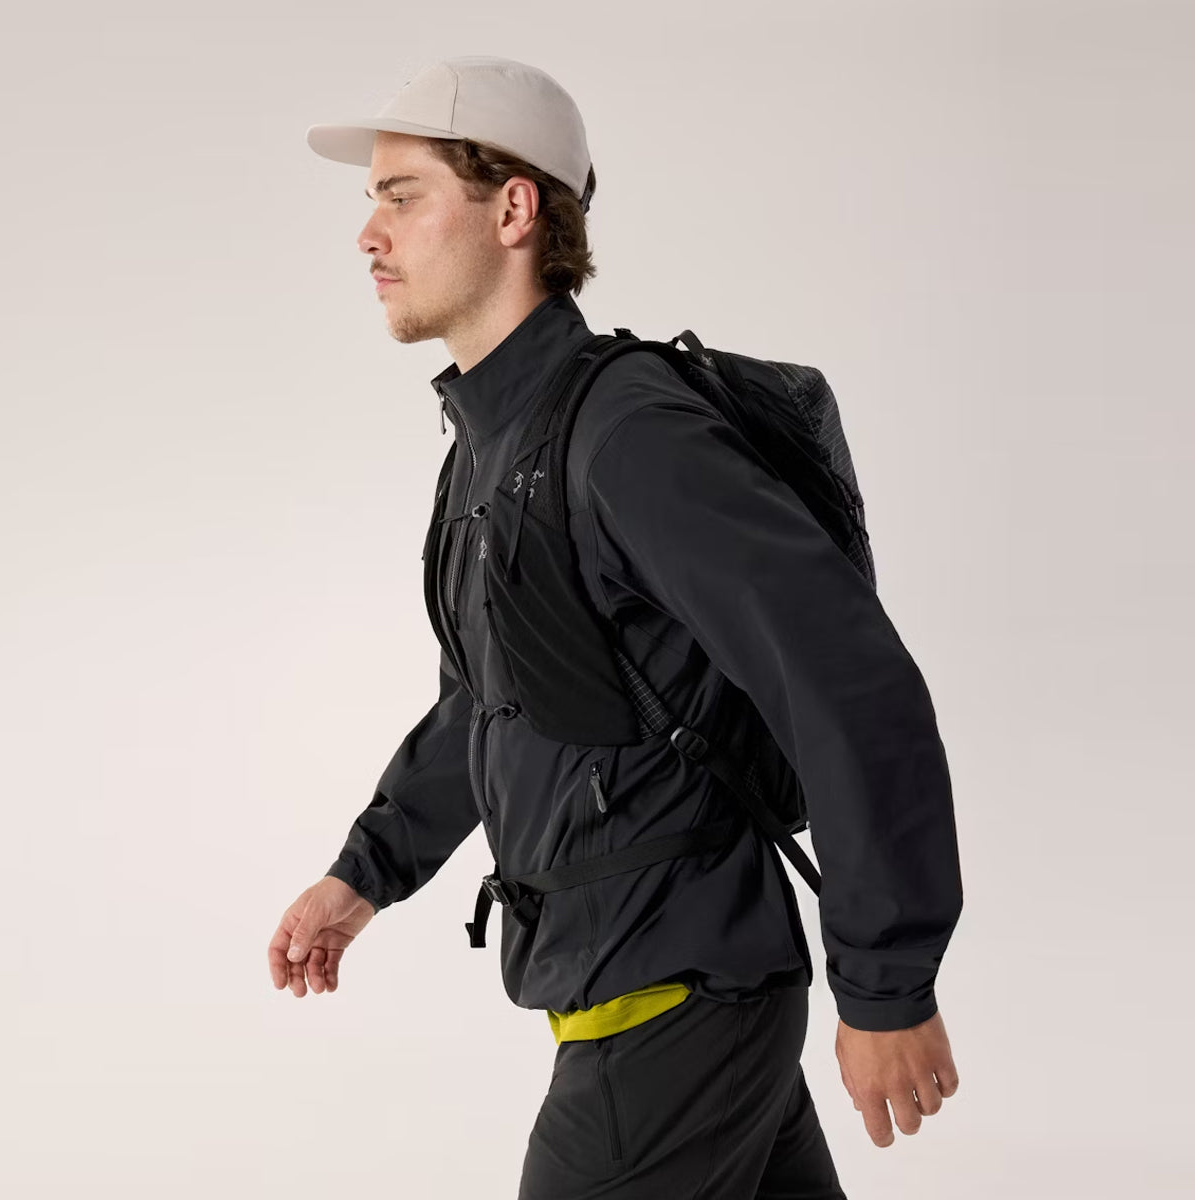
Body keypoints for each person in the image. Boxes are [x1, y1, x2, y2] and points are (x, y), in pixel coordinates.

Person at [267, 55, 964, 1198]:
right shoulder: (493, 448)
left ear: (513, 209)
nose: (368, 234)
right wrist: (365, 875)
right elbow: (490, 699)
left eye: (402, 195)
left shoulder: (626, 432)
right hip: (661, 1002)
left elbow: (845, 680)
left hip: (674, 1012)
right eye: (371, 200)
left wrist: (888, 984)